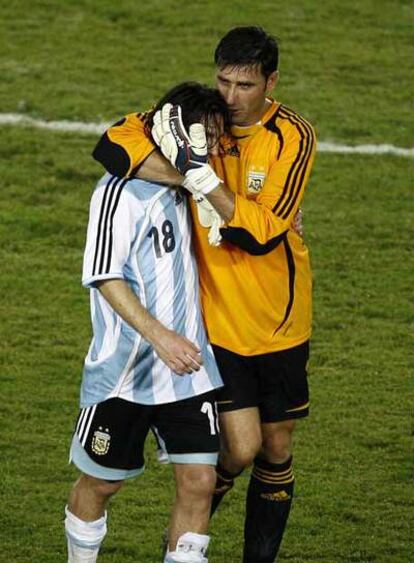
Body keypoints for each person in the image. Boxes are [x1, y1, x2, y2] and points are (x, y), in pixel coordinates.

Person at [93, 26, 316, 562]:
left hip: (279, 318)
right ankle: (184, 540)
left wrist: (201, 180)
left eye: (245, 85)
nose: (232, 97)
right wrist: (185, 175)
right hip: (215, 321)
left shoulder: (293, 136)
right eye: (224, 81)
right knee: (241, 447)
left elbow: (261, 233)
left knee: (277, 446)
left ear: (271, 82)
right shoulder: (194, 119)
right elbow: (112, 145)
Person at [64, 82, 232, 563]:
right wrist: (160, 336)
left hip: (189, 367)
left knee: (200, 482)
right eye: (207, 137)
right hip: (125, 369)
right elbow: (103, 276)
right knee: (102, 481)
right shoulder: (118, 193)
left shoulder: (195, 186)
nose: (213, 150)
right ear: (177, 133)